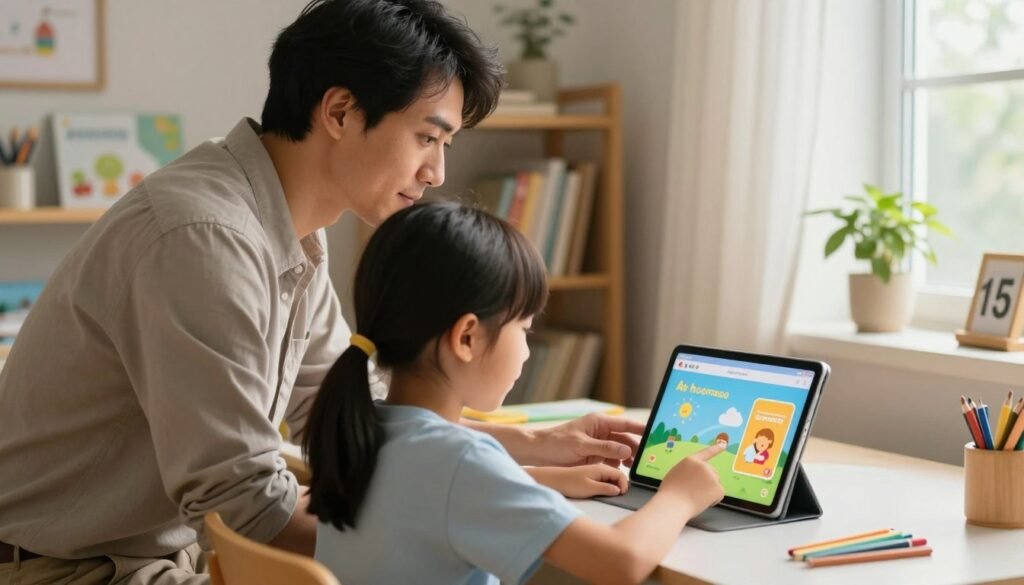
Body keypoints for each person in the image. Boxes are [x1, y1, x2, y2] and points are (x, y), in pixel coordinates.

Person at [0, 1, 643, 583]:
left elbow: (345, 413)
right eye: (427, 137)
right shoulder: (207, 238)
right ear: (339, 111)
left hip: (159, 552)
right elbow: (251, 507)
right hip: (73, 570)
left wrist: (529, 449)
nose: (437, 171)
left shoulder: (290, 226)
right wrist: (452, 526)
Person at [306, 202, 726, 585]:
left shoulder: (366, 427)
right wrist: (680, 495)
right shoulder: (460, 461)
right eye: (523, 329)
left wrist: (543, 480)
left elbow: (432, 497)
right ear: (467, 337)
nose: (526, 351)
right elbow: (620, 563)